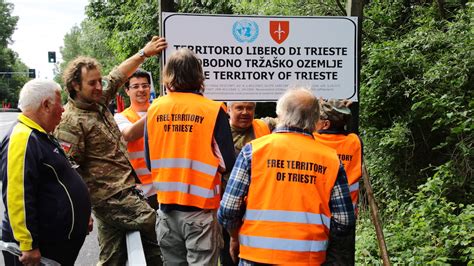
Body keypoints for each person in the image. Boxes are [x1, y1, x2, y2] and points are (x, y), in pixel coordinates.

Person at [54, 36, 167, 265]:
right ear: (75, 86)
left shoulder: (97, 99)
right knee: (157, 225)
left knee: (112, 258)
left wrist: (144, 53)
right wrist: (83, 210)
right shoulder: (70, 122)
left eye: (99, 81)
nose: (99, 87)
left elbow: (117, 75)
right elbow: (68, 171)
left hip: (124, 191)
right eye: (92, 83)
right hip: (109, 197)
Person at [218, 87, 356, 265]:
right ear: (316, 120)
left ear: (280, 114)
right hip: (308, 258)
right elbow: (344, 221)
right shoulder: (330, 159)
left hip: (256, 256)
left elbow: (228, 210)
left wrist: (235, 237)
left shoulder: (253, 151)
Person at [145, 48, 236, 265]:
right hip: (200, 211)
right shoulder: (213, 110)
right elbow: (228, 162)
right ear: (199, 76)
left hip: (166, 209)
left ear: (168, 76)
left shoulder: (154, 109)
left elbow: (150, 162)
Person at [1, 79, 91, 266]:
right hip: (38, 254)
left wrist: (83, 216)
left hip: (55, 248)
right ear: (47, 105)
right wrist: (28, 245)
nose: (63, 109)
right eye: (60, 103)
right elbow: (17, 196)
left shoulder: (40, 135)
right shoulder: (22, 138)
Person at [221, 101, 271, 266]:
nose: (245, 112)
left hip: (256, 208)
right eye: (239, 108)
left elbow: (292, 118)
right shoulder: (219, 132)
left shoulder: (264, 126)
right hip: (228, 206)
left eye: (249, 108)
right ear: (229, 110)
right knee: (229, 255)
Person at [114, 69, 157, 209]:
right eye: (136, 86)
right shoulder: (121, 117)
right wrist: (158, 112)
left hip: (163, 185)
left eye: (145, 85)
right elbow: (129, 134)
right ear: (127, 91)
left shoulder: (160, 110)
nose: (141, 89)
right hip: (139, 189)